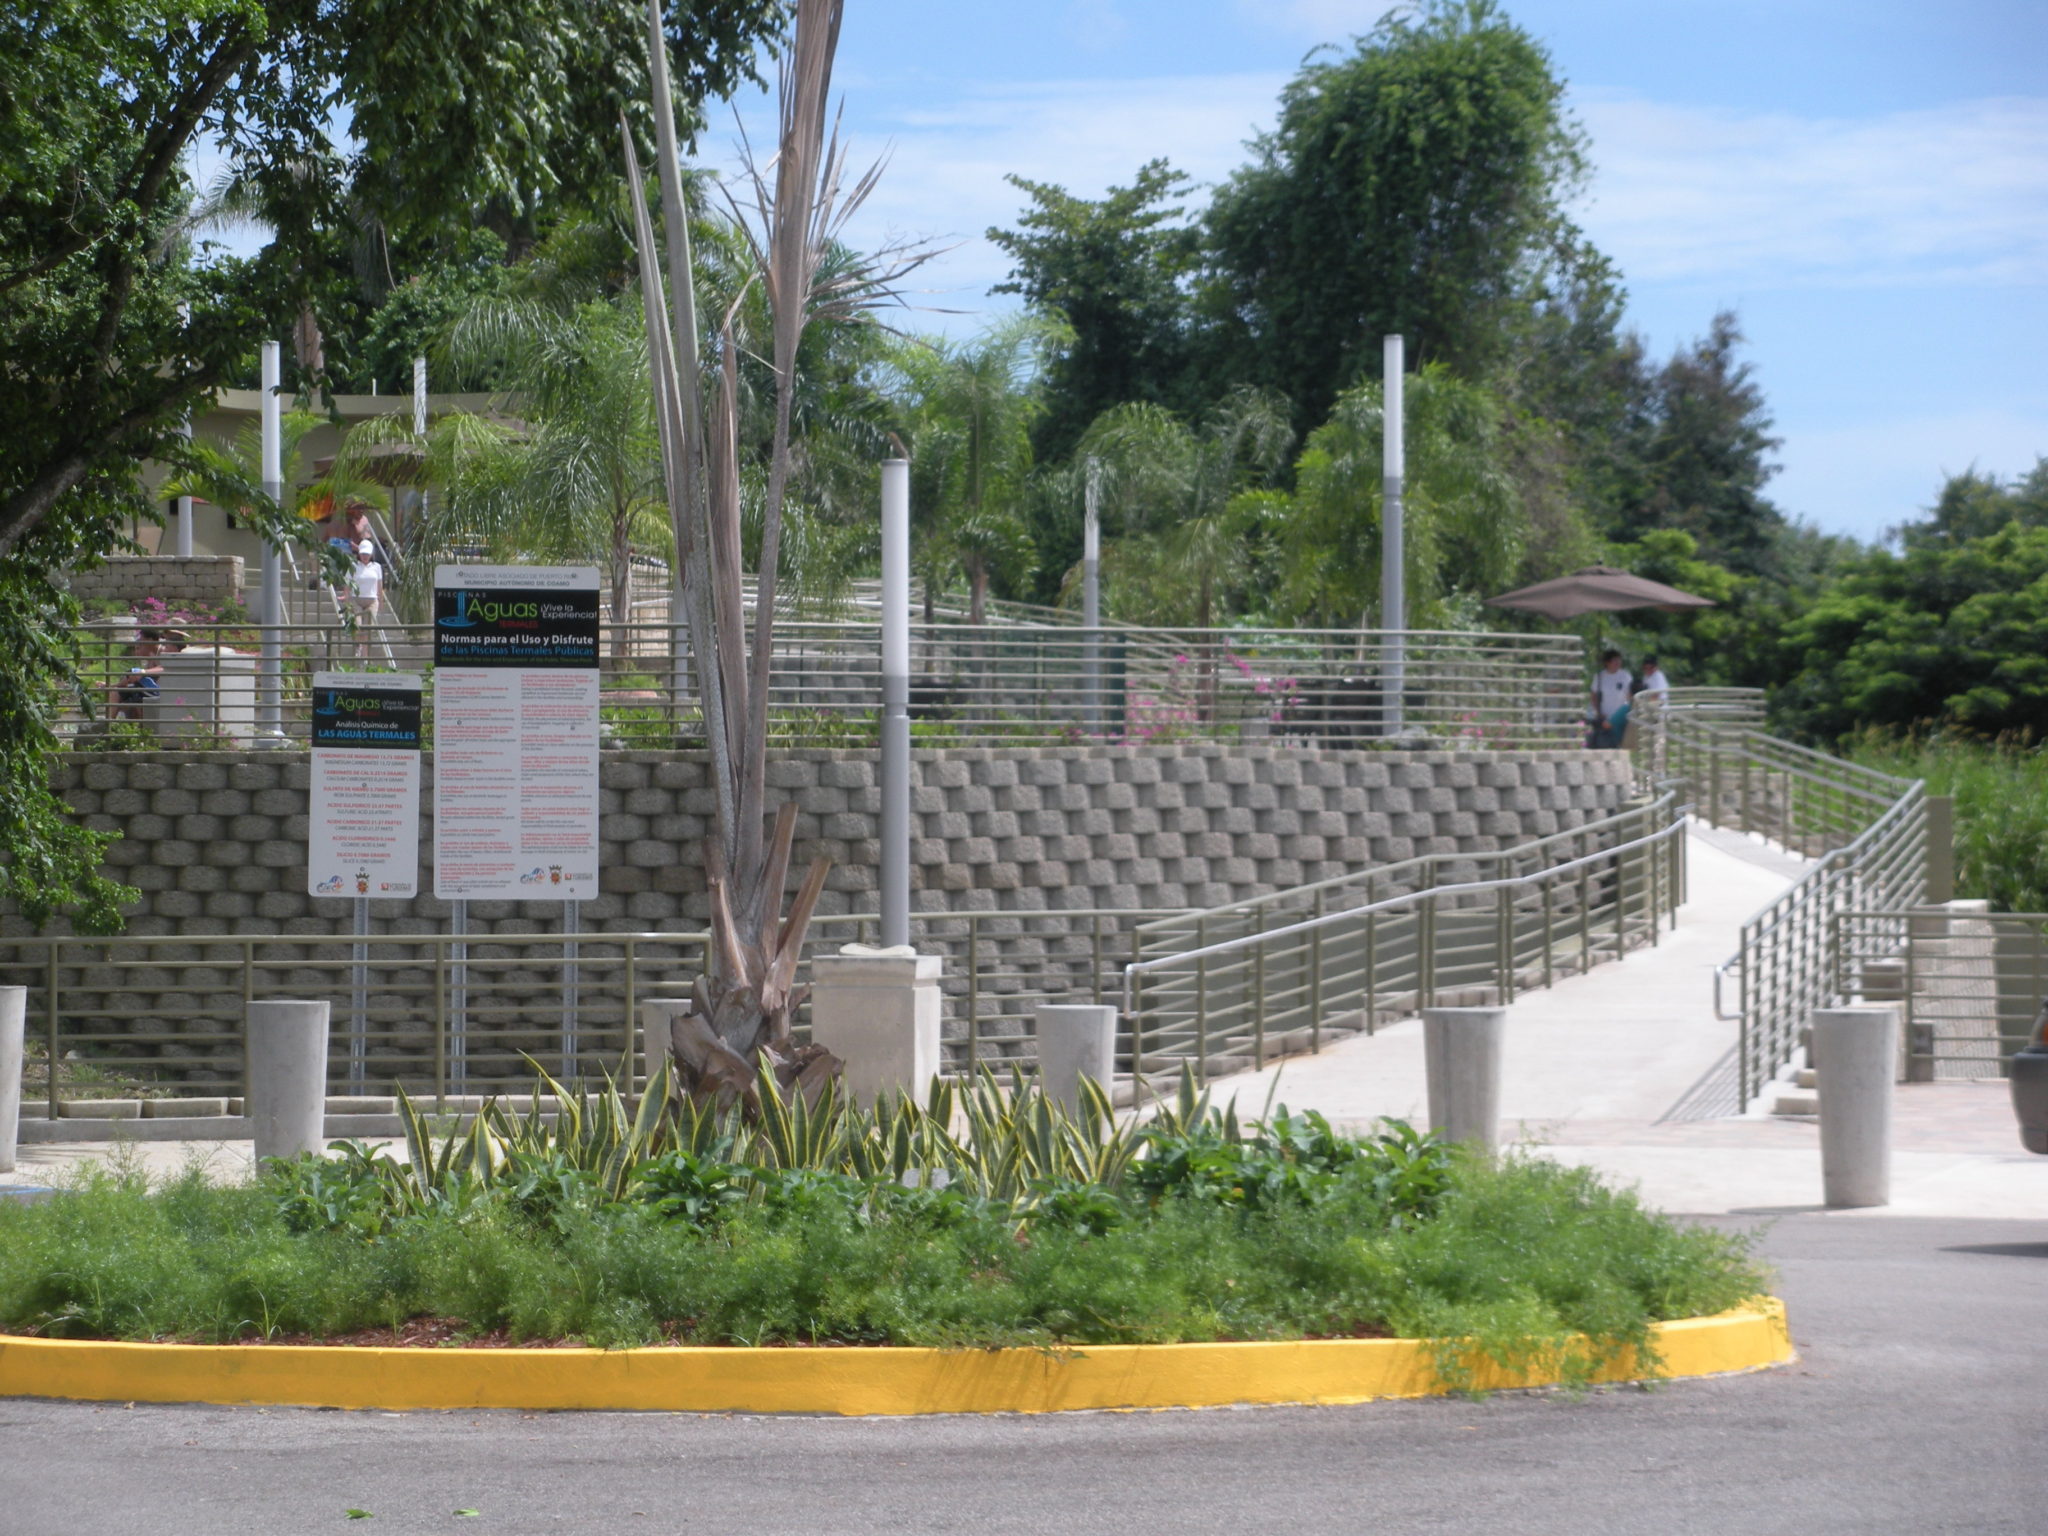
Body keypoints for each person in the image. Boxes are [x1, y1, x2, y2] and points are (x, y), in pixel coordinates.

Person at [106, 628, 186, 720]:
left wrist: (143, 672)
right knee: (118, 691)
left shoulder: (164, 652)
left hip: (159, 691)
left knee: (133, 680)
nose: (140, 642)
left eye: (142, 639)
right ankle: (109, 723)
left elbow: (165, 668)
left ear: (150, 640)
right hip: (148, 689)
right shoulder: (151, 655)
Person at [346, 539, 382, 659]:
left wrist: (380, 601)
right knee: (357, 624)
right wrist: (347, 599)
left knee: (368, 628)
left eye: (367, 554)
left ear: (371, 554)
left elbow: (379, 585)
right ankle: (358, 646)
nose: (365, 556)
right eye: (363, 554)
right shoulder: (353, 566)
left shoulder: (377, 567)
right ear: (359, 554)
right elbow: (347, 583)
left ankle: (365, 656)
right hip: (356, 600)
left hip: (371, 600)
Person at [1589, 650, 1632, 749]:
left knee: (1619, 740)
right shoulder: (1600, 676)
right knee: (1605, 741)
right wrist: (1598, 712)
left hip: (1620, 715)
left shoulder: (1625, 676)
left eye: (1619, 660)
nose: (1618, 663)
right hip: (1605, 715)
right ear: (1607, 662)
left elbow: (1630, 695)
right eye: (1614, 661)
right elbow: (1593, 696)